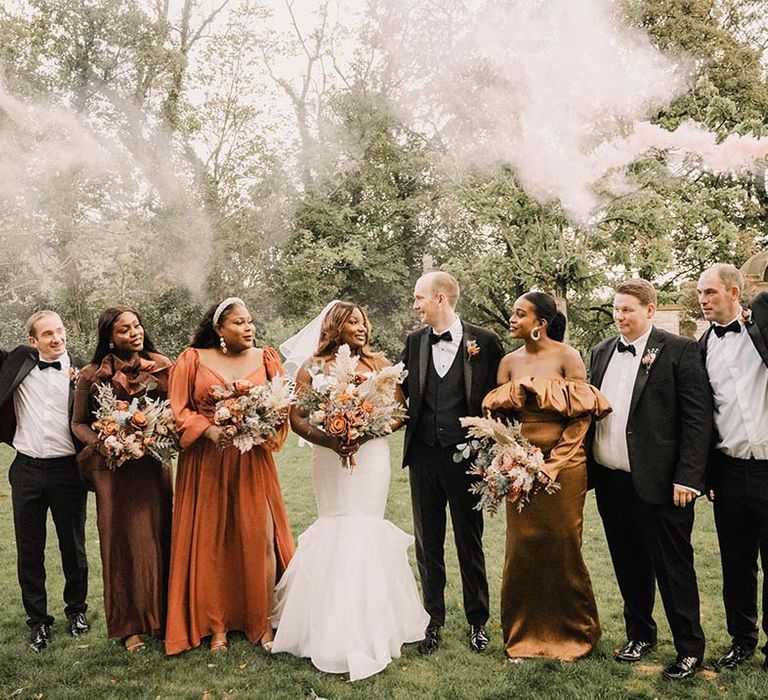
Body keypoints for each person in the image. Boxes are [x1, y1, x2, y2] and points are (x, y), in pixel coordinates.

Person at [271, 301, 429, 681]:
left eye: (363, 321)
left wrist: (366, 431)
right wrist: (331, 439)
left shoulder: (379, 365)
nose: (362, 327)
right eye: (353, 321)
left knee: (366, 526)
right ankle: (325, 625)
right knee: (336, 525)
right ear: (336, 327)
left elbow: (400, 413)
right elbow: (296, 419)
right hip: (329, 458)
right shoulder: (312, 367)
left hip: (371, 457)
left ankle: (374, 620)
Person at [588, 278, 711, 680]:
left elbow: (697, 420)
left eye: (628, 310)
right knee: (628, 563)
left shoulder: (679, 351)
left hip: (663, 485)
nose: (620, 316)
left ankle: (689, 648)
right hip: (612, 481)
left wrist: (688, 478)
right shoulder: (602, 352)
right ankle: (640, 633)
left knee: (673, 569)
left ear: (650, 311)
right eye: (616, 309)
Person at [482, 292, 609, 661]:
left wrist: (554, 463)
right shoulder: (507, 363)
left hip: (564, 466)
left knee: (563, 547)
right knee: (522, 550)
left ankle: (573, 636)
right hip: (518, 467)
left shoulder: (568, 356)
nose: (512, 318)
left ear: (540, 324)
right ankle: (523, 637)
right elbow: (500, 423)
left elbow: (581, 417)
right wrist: (512, 459)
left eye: (520, 314)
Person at [165, 297, 295, 655]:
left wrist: (261, 423)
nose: (248, 327)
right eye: (238, 322)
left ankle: (262, 621)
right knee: (211, 541)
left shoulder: (267, 359)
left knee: (259, 538)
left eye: (250, 321)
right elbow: (179, 409)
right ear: (219, 328)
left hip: (252, 462)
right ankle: (216, 624)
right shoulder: (192, 359)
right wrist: (208, 430)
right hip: (206, 462)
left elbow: (283, 406)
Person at [401, 271, 504, 654]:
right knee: (429, 543)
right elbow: (399, 392)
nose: (415, 306)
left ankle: (478, 621)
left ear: (441, 298)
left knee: (469, 540)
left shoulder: (486, 342)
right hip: (424, 457)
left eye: (419, 298)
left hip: (468, 460)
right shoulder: (413, 343)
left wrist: (496, 452)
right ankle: (432, 621)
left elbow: (499, 398)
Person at [71, 306, 172, 652]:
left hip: (152, 468)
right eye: (125, 329)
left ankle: (162, 618)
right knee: (120, 543)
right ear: (109, 339)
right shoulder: (90, 375)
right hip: (113, 472)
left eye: (137, 325)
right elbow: (78, 423)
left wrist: (158, 433)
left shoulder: (163, 367)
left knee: (158, 537)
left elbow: (176, 412)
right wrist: (105, 442)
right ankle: (129, 626)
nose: (135, 332)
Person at [0, 311, 89, 652]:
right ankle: (38, 622)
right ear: (32, 341)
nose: (57, 338)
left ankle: (77, 611)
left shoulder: (83, 368)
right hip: (26, 470)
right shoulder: (18, 362)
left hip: (68, 470)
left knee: (74, 547)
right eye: (47, 334)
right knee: (29, 551)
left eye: (60, 331)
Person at [697, 263, 768, 671]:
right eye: (701, 294)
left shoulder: (762, 329)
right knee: (736, 564)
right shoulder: (702, 347)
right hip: (729, 472)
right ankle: (742, 641)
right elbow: (704, 414)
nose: (703, 300)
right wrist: (706, 474)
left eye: (711, 292)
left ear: (734, 293)